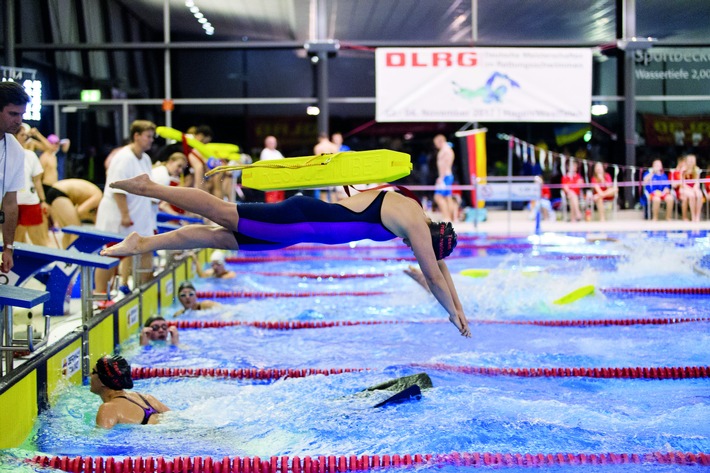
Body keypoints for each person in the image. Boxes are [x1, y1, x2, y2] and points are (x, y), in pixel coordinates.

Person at [100, 174, 470, 337]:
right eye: (415, 247)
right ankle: (150, 187)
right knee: (221, 212)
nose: (409, 247)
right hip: (299, 221)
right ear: (432, 237)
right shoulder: (414, 224)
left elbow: (438, 267)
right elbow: (434, 276)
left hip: (296, 230)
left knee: (221, 239)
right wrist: (452, 317)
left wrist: (460, 311)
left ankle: (143, 243)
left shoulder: (414, 210)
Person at [94, 120, 157, 297]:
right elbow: (117, 189)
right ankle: (99, 294)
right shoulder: (123, 158)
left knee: (145, 250)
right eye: (148, 136)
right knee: (111, 254)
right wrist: (125, 215)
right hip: (118, 216)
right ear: (136, 136)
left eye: (152, 137)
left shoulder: (145, 158)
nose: (151, 140)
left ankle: (141, 290)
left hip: (138, 215)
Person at [0, 82, 31, 273]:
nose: (19, 121)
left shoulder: (16, 151)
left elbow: (10, 203)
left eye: (21, 115)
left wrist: (8, 247)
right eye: (13, 114)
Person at [90, 355, 170, 428]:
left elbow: (99, 439)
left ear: (103, 380)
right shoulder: (147, 398)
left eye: (94, 372)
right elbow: (172, 417)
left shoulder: (108, 409)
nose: (90, 375)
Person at [13, 125, 49, 246]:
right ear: (13, 136)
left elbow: (37, 181)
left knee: (38, 240)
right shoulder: (3, 155)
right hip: (11, 203)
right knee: (15, 241)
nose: (25, 138)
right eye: (22, 135)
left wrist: (43, 200)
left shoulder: (30, 155)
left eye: (26, 135)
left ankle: (42, 264)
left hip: (30, 201)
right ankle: (16, 264)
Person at [48, 179, 103, 248]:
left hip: (56, 190)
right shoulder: (98, 196)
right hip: (60, 193)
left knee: (68, 232)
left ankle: (65, 255)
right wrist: (90, 217)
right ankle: (73, 255)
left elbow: (76, 210)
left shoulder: (90, 194)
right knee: (76, 231)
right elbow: (80, 212)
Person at [150, 152, 188, 217]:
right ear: (171, 162)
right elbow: (152, 202)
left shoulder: (160, 170)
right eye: (179, 166)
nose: (180, 171)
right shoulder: (163, 176)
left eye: (183, 168)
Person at [432, 134, 458, 222]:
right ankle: (450, 217)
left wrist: (441, 177)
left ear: (440, 141)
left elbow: (445, 164)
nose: (435, 146)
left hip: (445, 176)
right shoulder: (447, 150)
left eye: (436, 143)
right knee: (448, 197)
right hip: (447, 176)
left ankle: (447, 217)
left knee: (438, 197)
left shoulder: (445, 151)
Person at [259, 136, 286, 203]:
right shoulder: (265, 152)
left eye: (274, 142)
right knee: (271, 203)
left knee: (280, 202)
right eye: (271, 142)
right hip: (270, 181)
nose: (273, 144)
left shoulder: (277, 152)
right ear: (266, 143)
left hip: (280, 180)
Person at [680, 154, 703, 222]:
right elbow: (682, 183)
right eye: (689, 161)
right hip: (685, 188)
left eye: (692, 161)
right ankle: (693, 215)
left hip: (694, 188)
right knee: (692, 195)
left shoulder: (697, 169)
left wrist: (695, 189)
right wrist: (690, 189)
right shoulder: (683, 170)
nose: (691, 162)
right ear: (686, 161)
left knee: (699, 195)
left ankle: (697, 215)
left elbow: (697, 181)